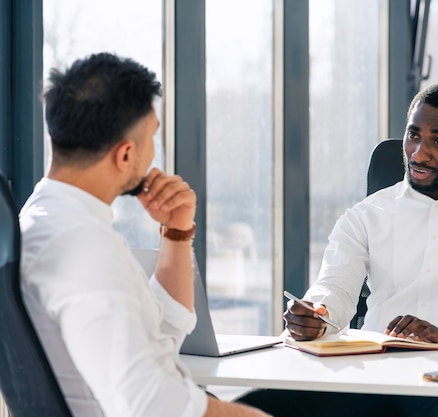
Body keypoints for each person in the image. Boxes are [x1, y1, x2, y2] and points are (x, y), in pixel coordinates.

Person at [236, 80, 438, 417]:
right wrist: (316, 316)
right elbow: (333, 289)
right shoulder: (365, 215)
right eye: (413, 135)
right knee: (256, 405)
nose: (419, 153)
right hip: (374, 375)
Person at [19, 52, 270, 417]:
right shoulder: (85, 250)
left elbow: (165, 333)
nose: (155, 152)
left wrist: (177, 231)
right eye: (152, 136)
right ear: (125, 155)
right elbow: (151, 406)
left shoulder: (45, 220)